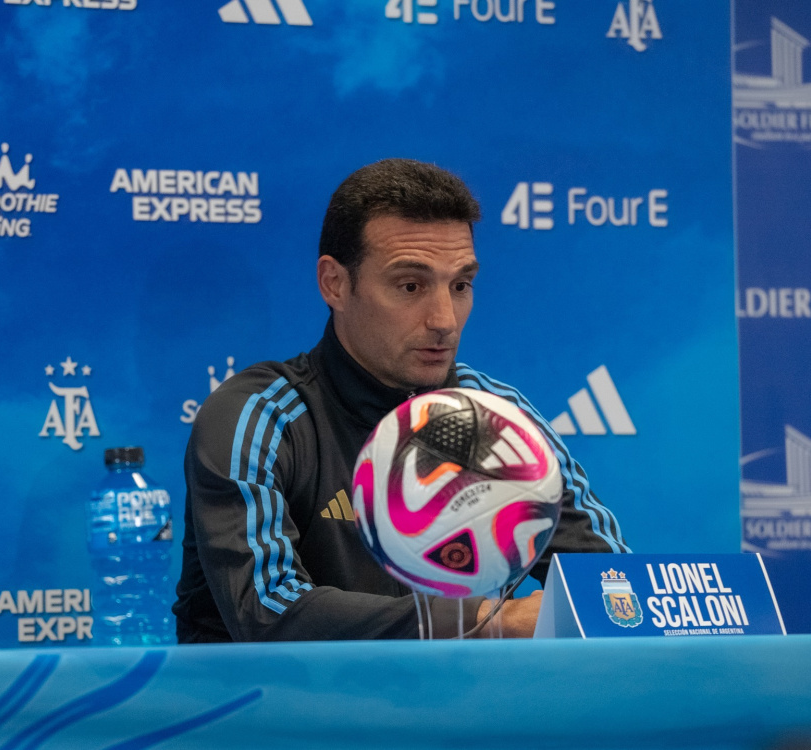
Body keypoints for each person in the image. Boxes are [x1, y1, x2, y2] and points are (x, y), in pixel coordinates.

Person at [173, 159, 629, 642]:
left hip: (462, 693)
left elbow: (617, 592)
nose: (444, 320)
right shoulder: (259, 415)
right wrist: (486, 621)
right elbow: (267, 611)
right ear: (334, 284)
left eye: (460, 285)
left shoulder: (499, 417)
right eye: (410, 286)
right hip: (283, 694)